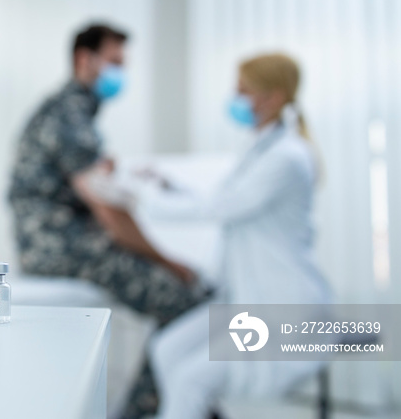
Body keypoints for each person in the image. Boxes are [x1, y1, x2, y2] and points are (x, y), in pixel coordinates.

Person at [101, 53, 332, 419]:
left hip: (285, 306)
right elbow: (215, 199)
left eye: (243, 91)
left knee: (192, 381)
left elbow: (221, 209)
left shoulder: (286, 158)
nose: (234, 98)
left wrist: (136, 197)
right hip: (246, 300)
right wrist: (163, 184)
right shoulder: (260, 149)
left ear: (271, 97)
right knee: (167, 349)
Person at [7, 23, 210, 418]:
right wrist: (171, 263)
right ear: (85, 59)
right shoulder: (68, 117)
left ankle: (179, 404)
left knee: (189, 296)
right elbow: (112, 216)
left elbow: (90, 189)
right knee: (188, 301)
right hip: (61, 246)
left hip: (59, 241)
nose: (121, 74)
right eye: (115, 63)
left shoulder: (72, 113)